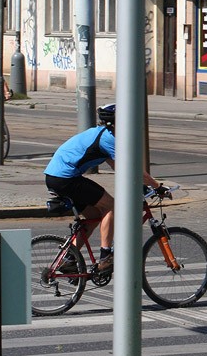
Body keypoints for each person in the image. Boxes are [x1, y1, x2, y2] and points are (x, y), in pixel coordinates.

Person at [43, 104, 163, 273]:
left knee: (94, 215)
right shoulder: (110, 139)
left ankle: (69, 259)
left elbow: (120, 168)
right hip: (66, 178)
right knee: (110, 206)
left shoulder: (102, 135)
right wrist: (156, 185)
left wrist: (140, 184)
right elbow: (131, 168)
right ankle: (105, 257)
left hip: (55, 177)